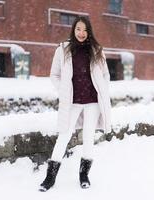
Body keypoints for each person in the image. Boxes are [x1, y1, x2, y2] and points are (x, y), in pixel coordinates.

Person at [39, 16, 111, 192]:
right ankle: (50, 177)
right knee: (63, 136)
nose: (82, 33)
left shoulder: (97, 50)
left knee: (88, 137)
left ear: (89, 32)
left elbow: (106, 75)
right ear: (73, 29)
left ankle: (84, 175)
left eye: (85, 30)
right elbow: (54, 75)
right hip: (72, 102)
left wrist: (102, 90)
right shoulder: (63, 50)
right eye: (79, 29)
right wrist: (63, 90)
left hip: (93, 102)